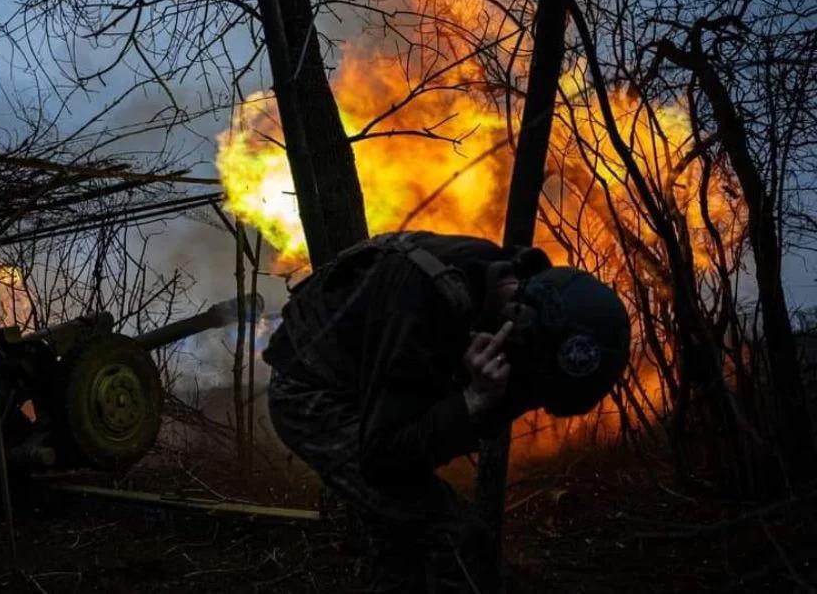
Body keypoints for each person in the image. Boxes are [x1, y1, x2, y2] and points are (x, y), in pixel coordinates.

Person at [263, 231, 630, 592]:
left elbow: (457, 416)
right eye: (531, 383)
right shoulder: (428, 296)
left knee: (404, 541)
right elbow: (383, 456)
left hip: (377, 394)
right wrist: (471, 401)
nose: (527, 399)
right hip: (312, 392)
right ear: (519, 325)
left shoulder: (513, 294)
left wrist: (477, 403)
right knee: (452, 536)